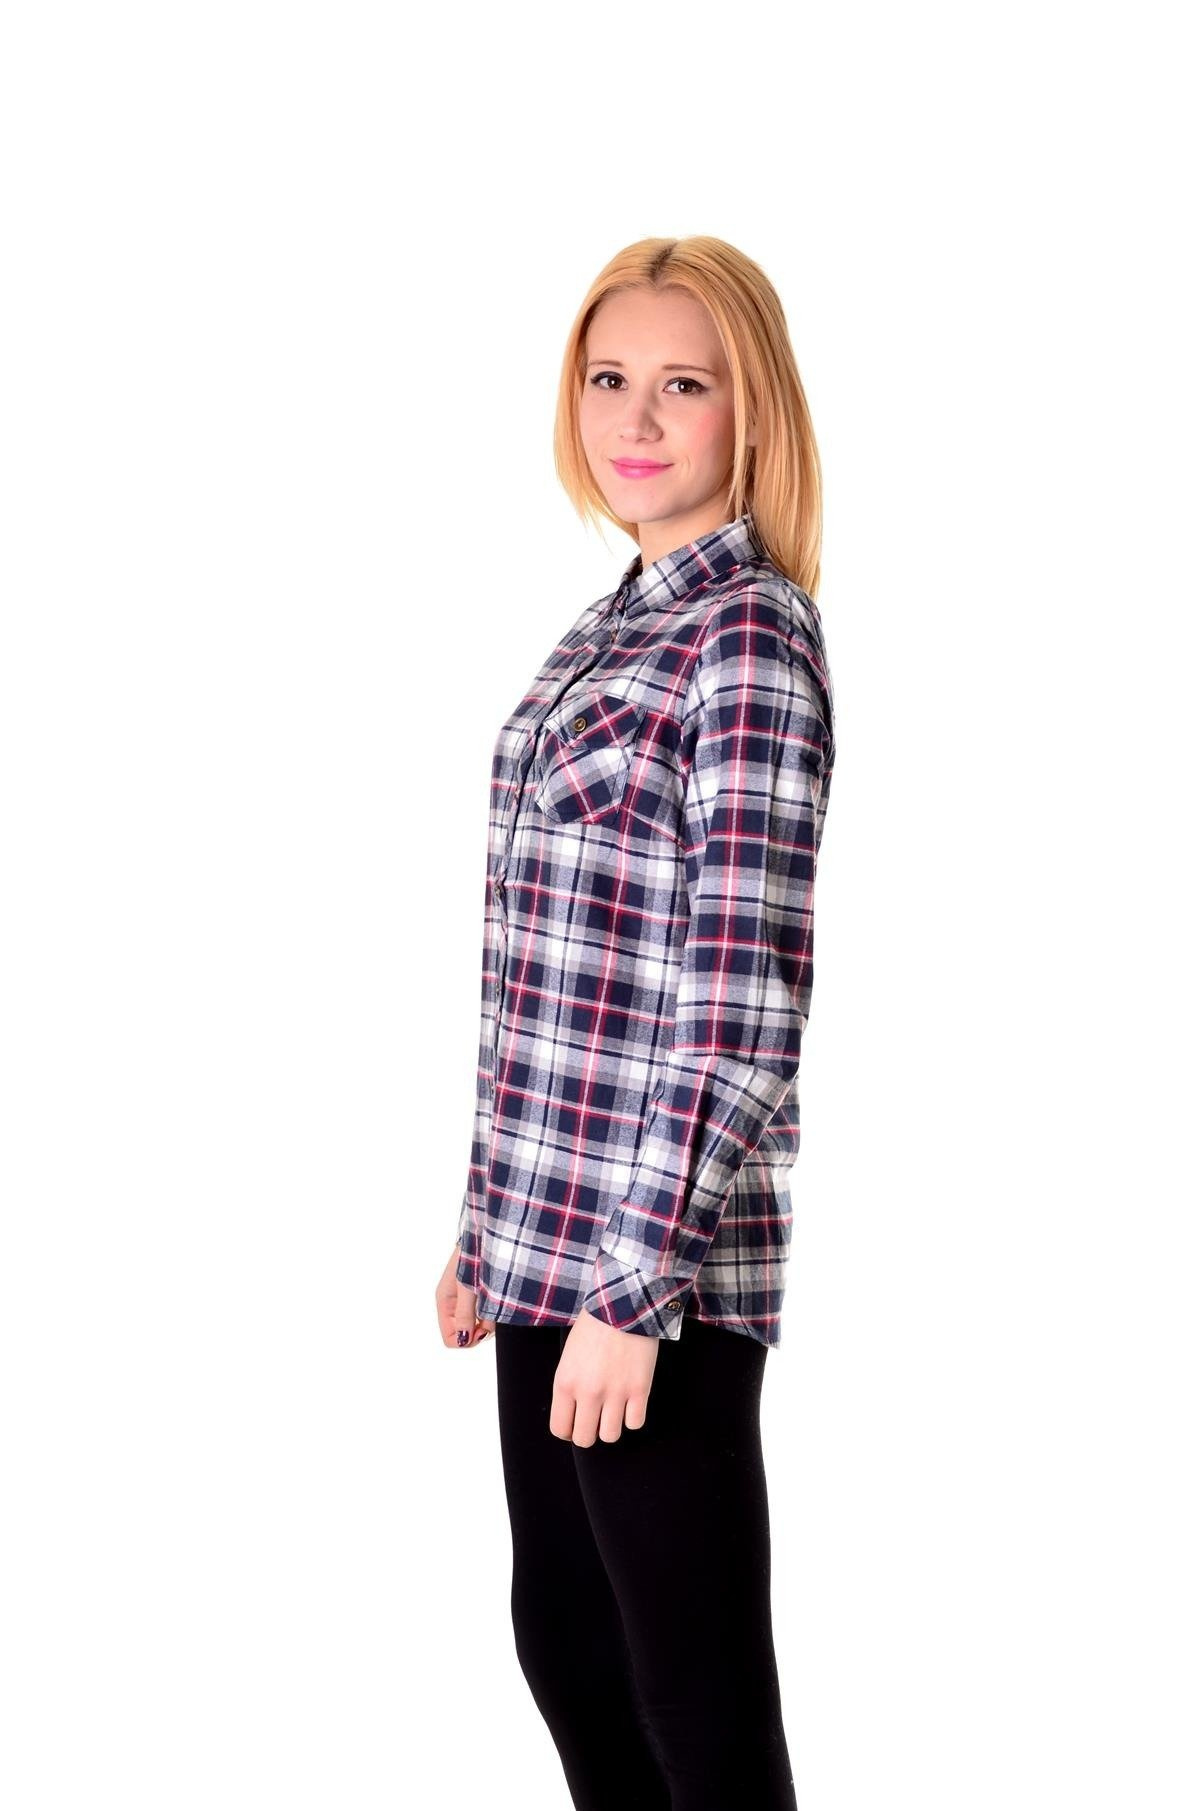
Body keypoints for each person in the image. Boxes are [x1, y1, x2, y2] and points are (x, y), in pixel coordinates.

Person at [434, 234, 836, 1810]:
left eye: (685, 384)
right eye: (610, 379)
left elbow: (739, 1003)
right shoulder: (606, 627)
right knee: (572, 1652)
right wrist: (485, 1227)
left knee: (697, 1702)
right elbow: (545, 969)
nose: (638, 418)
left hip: (649, 1277)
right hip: (547, 1249)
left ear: (754, 410)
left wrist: (632, 1287)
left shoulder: (750, 638)